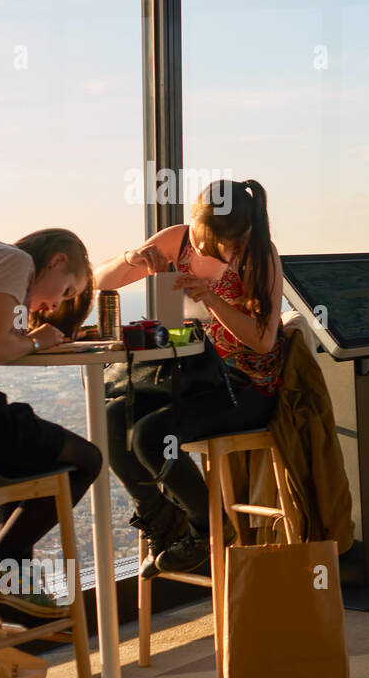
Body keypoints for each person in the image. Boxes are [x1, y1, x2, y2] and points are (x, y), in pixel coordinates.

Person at [94, 179, 285, 576]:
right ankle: (163, 521)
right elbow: (100, 280)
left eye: (209, 246)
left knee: (151, 436)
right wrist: (134, 257)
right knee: (110, 421)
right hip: (191, 376)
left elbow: (264, 341)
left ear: (237, 240)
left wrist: (211, 298)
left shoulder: (258, 257)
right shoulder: (178, 241)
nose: (196, 250)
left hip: (245, 386)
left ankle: (208, 529)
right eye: (196, 240)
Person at [0, 229, 101, 636]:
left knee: (34, 466)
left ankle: (9, 582)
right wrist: (36, 342)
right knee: (87, 459)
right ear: (57, 260)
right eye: (66, 290)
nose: (57, 304)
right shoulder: (15, 261)